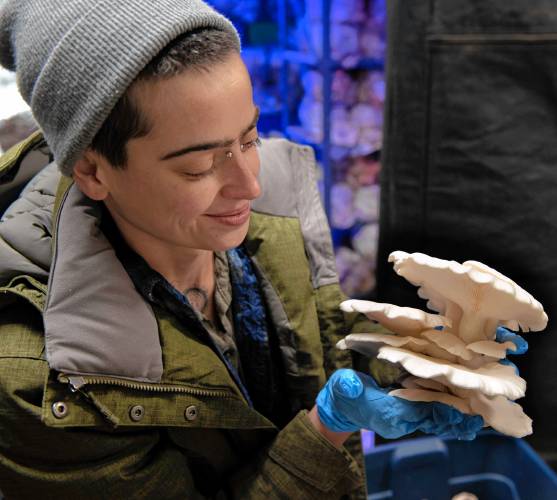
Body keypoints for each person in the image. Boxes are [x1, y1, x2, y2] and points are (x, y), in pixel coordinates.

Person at [0, 1, 505, 498]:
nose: (249, 186)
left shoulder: (265, 215)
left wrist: (417, 357)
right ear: (92, 170)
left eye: (250, 138)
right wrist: (326, 429)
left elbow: (319, 336)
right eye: (198, 168)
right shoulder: (46, 383)